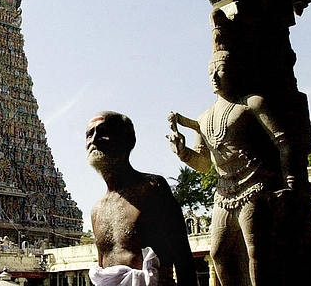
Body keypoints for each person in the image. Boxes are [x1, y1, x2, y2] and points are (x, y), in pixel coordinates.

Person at [167, 46, 292, 285]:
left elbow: (282, 142)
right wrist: (182, 152)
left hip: (254, 186)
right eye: (210, 73)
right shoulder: (204, 118)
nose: (214, 77)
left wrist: (289, 182)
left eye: (221, 70)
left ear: (234, 71)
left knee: (256, 251)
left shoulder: (251, 104)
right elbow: (205, 164)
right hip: (224, 193)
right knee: (219, 253)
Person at [87, 111, 198, 286]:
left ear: (127, 140)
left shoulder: (152, 188)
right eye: (89, 134)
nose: (93, 140)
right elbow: (103, 270)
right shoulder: (97, 210)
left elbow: (183, 257)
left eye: (103, 132)